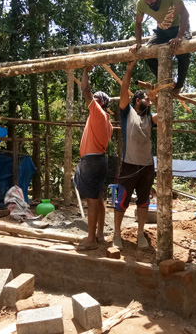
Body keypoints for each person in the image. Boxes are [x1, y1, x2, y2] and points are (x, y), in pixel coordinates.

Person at [113, 60, 158, 250]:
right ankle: (116, 233)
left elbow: (164, 112)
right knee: (122, 200)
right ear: (138, 100)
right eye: (147, 99)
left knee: (144, 201)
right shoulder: (127, 113)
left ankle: (140, 234)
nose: (150, 102)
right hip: (129, 164)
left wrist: (155, 97)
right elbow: (124, 90)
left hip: (147, 167)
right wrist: (129, 68)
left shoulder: (150, 118)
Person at [73, 66, 113, 250]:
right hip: (100, 161)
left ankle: (90, 239)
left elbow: (85, 90)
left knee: (91, 200)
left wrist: (86, 70)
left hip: (91, 162)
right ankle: (99, 236)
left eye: (96, 100)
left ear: (100, 103)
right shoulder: (108, 123)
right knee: (98, 198)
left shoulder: (97, 112)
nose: (92, 101)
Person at [129, 0, 191, 94]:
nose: (149, 2)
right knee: (146, 53)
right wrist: (138, 42)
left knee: (183, 51)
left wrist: (179, 36)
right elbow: (138, 23)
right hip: (162, 30)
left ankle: (179, 85)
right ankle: (166, 79)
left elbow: (185, 14)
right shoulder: (141, 3)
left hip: (179, 27)